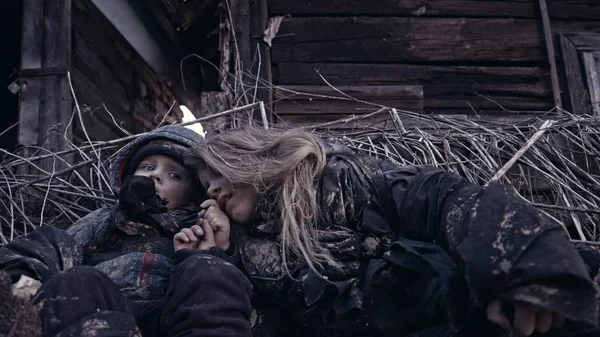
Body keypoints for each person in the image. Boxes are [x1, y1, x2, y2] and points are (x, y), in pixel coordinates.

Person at [182, 125, 600, 337]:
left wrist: (521, 274)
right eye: (204, 188)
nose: (213, 189)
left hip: (467, 304)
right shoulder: (243, 255)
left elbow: (446, 202)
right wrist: (215, 257)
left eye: (217, 173)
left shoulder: (339, 178)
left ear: (250, 158)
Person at [0, 125, 252, 337]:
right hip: (99, 316)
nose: (155, 176)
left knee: (207, 270)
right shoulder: (102, 220)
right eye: (147, 167)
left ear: (193, 196)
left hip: (166, 319)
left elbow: (228, 288)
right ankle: (17, 298)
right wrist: (23, 284)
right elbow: (57, 250)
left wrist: (218, 251)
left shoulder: (200, 227)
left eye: (174, 175)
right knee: (79, 277)